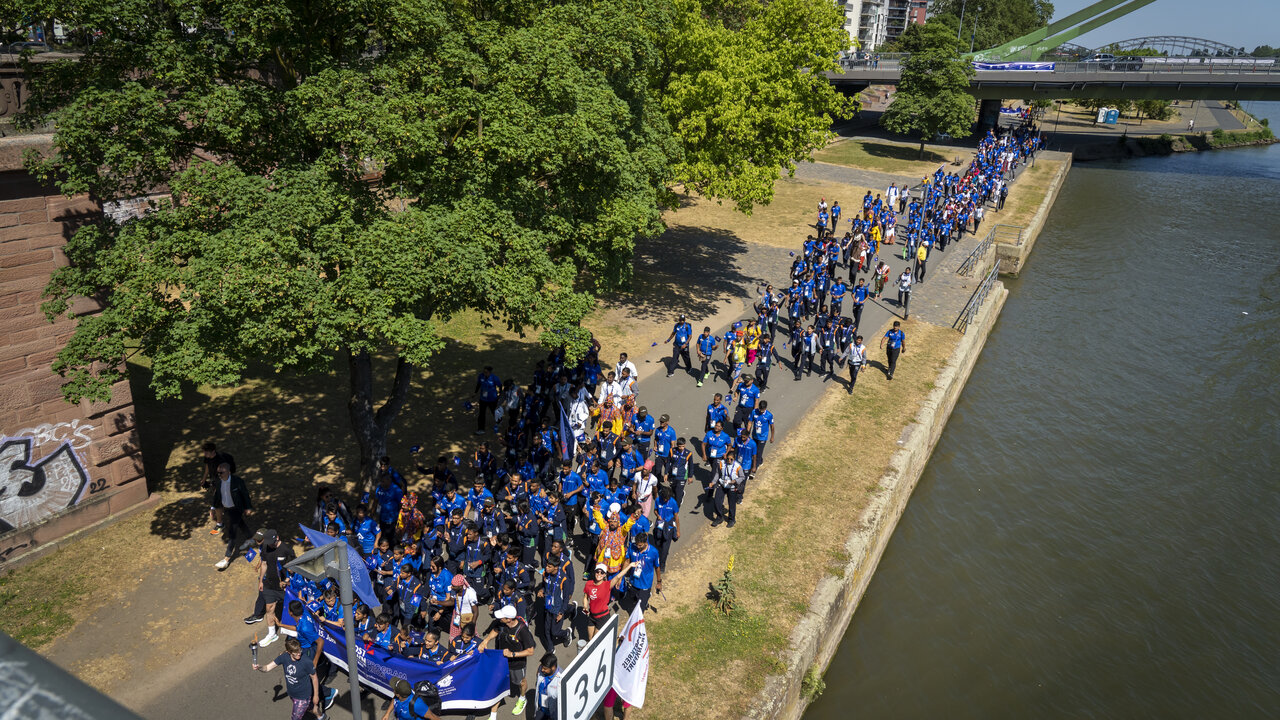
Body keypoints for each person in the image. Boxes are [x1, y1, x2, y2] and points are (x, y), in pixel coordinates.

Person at [480, 605, 536, 720]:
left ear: (509, 619)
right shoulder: (501, 623)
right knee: (498, 682)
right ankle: (493, 714)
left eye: (502, 617)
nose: (499, 619)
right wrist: (486, 640)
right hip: (501, 660)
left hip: (517, 664)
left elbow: (530, 651)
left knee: (520, 682)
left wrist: (513, 654)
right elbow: (495, 630)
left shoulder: (522, 630)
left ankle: (522, 697)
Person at [245, 529, 294, 648]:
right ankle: (272, 634)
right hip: (269, 585)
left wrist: (287, 581)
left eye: (271, 542)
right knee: (269, 609)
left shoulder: (286, 549)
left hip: (284, 587)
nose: (269, 544)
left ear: (277, 538)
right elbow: (264, 564)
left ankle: (294, 633)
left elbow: (294, 567)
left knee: (291, 609)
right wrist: (261, 580)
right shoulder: (266, 547)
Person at [253, 637, 322, 720]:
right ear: (289, 652)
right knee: (310, 708)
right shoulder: (284, 657)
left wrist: (316, 695)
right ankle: (321, 716)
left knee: (295, 718)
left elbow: (314, 678)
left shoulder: (306, 661)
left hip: (303, 696)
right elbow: (267, 668)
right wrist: (259, 667)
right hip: (292, 694)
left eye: (299, 650)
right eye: (295, 653)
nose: (299, 654)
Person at [213, 462, 254, 570]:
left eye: (221, 472)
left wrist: (248, 507)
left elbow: (245, 494)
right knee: (240, 523)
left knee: (232, 532)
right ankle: (250, 537)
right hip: (227, 509)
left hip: (237, 508)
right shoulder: (218, 482)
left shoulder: (237, 482)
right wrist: (213, 507)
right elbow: (217, 495)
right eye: (218, 473)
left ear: (228, 472)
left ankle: (226, 558)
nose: (219, 474)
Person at [199, 442, 235, 534]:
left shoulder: (221, 461)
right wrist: (204, 479)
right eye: (204, 452)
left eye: (206, 452)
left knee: (218, 504)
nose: (205, 454)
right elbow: (207, 468)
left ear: (213, 451)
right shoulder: (207, 458)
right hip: (215, 482)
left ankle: (220, 524)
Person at [581, 563, 622, 646]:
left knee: (595, 642)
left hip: (602, 617)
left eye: (602, 572)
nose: (599, 574)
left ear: (605, 575)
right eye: (597, 572)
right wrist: (585, 606)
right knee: (590, 639)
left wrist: (630, 566)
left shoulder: (607, 585)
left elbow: (617, 577)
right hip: (592, 616)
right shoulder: (589, 583)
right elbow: (585, 597)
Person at [619, 532, 661, 612]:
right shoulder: (632, 547)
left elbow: (657, 567)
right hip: (633, 581)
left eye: (640, 545)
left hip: (645, 584)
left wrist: (659, 582)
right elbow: (627, 561)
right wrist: (621, 577)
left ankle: (637, 622)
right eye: (637, 544)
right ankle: (643, 600)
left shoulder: (654, 552)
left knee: (639, 610)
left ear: (646, 543)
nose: (638, 547)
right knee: (633, 601)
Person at [711, 449, 746, 528]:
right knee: (717, 501)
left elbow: (742, 477)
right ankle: (719, 517)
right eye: (728, 458)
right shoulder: (721, 463)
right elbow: (717, 474)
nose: (729, 460)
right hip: (722, 485)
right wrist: (713, 482)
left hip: (732, 487)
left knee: (731, 504)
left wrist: (735, 481)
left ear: (734, 459)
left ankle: (731, 519)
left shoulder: (738, 466)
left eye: (731, 459)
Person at [474, 366, 502, 434]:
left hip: (492, 399)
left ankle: (499, 421)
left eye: (486, 372)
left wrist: (500, 394)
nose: (484, 373)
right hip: (483, 399)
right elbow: (479, 384)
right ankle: (481, 429)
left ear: (489, 372)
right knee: (481, 414)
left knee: (494, 412)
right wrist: (475, 392)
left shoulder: (494, 378)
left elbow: (500, 386)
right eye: (483, 371)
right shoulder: (481, 376)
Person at [534, 653, 561, 720]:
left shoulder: (561, 679)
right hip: (541, 709)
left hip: (553, 713)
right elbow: (537, 678)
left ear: (553, 667)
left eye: (545, 668)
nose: (542, 670)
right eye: (542, 666)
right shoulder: (541, 669)